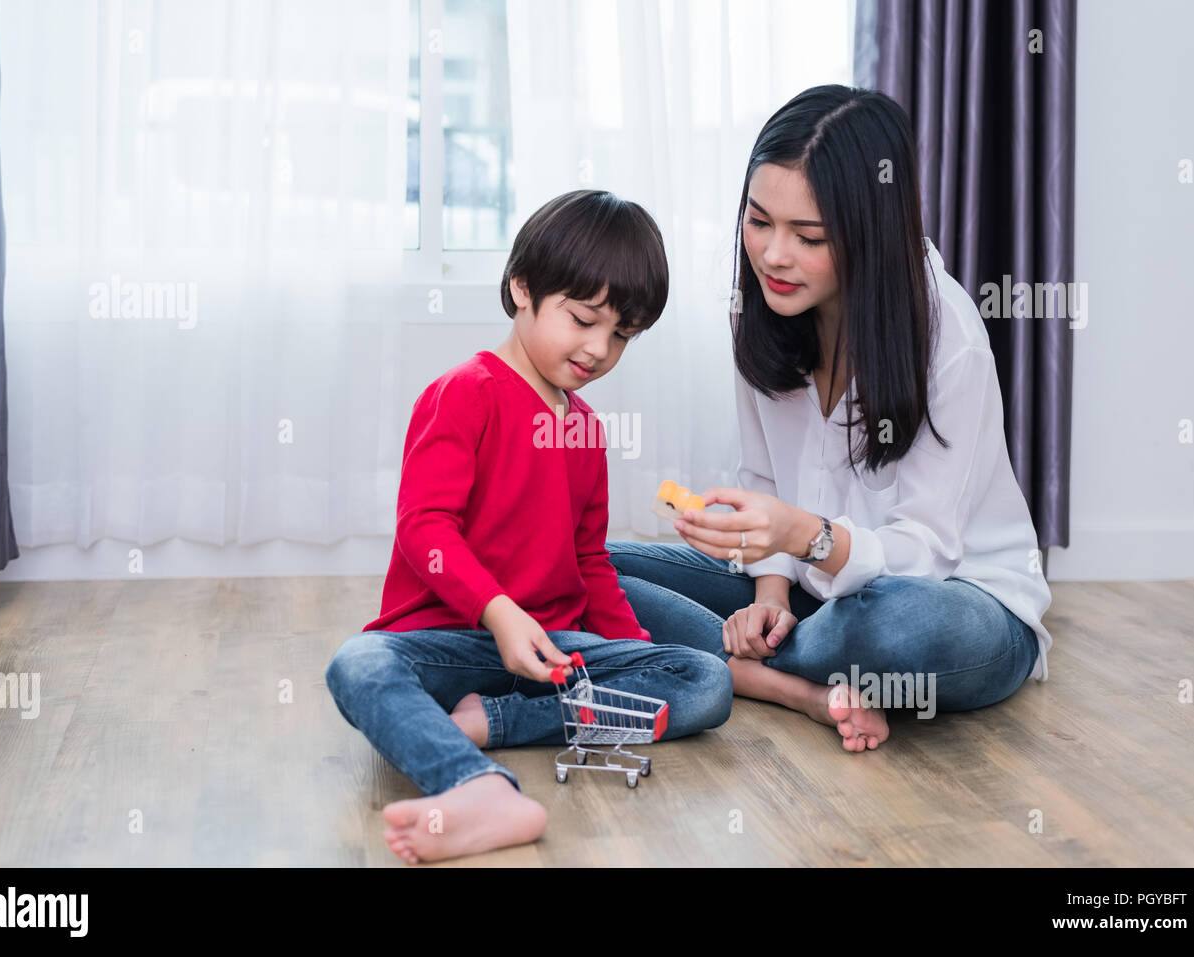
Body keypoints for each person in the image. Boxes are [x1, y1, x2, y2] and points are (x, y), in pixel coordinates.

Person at [607, 85, 1054, 753]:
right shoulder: (756, 310)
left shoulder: (947, 338)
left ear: (869, 232)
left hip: (953, 600)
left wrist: (807, 536)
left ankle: (722, 661)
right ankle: (796, 681)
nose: (774, 256)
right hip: (815, 602)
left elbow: (927, 552)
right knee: (584, 564)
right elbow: (765, 479)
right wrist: (771, 597)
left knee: (890, 626)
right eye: (759, 222)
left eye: (808, 236)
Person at [325, 189, 733, 864]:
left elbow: (590, 561)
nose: (600, 348)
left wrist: (632, 658)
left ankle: (495, 724)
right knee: (358, 665)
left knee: (702, 680)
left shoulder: (587, 430)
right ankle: (477, 786)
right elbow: (424, 529)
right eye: (583, 319)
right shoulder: (464, 392)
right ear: (521, 287)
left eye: (623, 334)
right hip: (450, 642)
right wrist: (499, 612)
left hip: (557, 655)